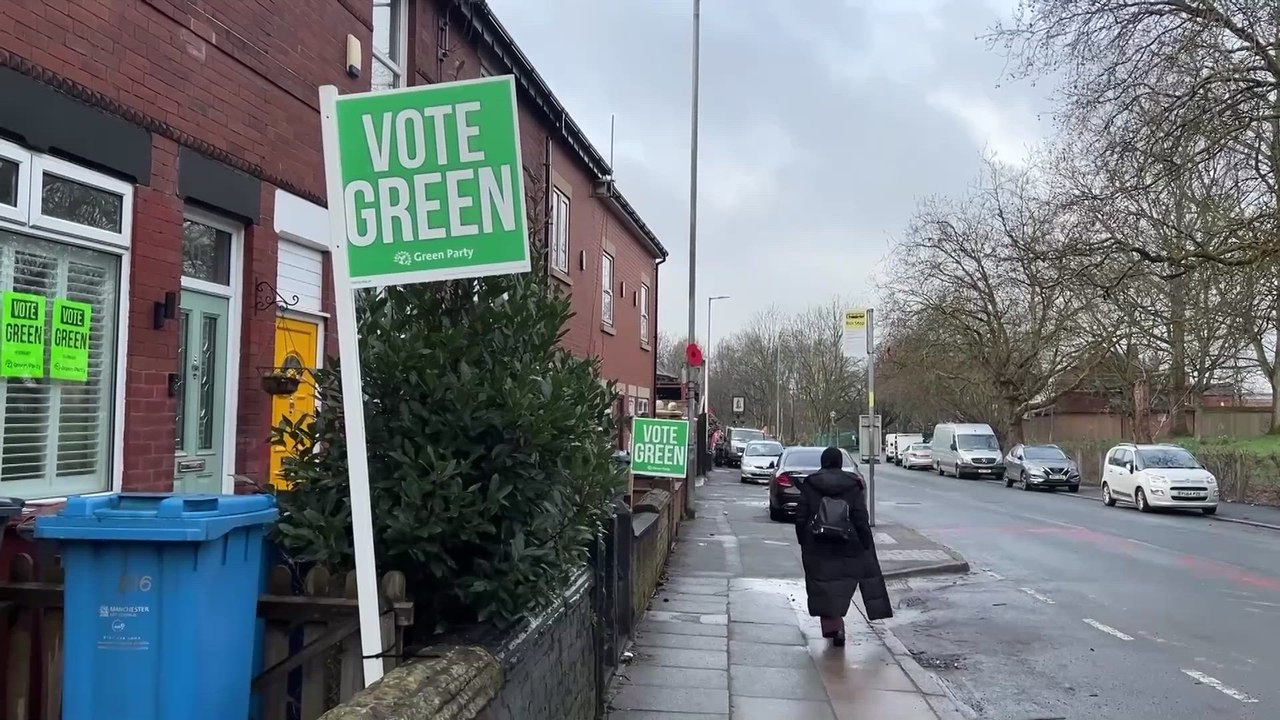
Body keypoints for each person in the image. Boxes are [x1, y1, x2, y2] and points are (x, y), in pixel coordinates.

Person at [794, 447, 893, 646]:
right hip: (848, 543)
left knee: (823, 587)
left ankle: (833, 626)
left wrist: (803, 540)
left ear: (823, 462)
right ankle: (837, 625)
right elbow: (860, 518)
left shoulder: (811, 484)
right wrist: (865, 541)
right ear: (839, 462)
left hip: (817, 544)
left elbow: (801, 517)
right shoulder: (853, 485)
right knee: (840, 586)